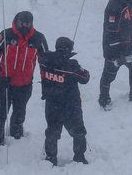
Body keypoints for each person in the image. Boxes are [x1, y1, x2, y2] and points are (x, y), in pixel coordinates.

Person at [0, 11, 48, 145]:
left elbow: (45, 63)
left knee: (19, 114)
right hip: (4, 83)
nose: (25, 26)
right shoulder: (6, 35)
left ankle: (17, 138)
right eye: (22, 23)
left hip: (24, 85)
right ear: (17, 21)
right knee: (0, 114)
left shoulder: (38, 38)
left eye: (28, 23)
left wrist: (46, 83)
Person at [40, 37, 90, 166]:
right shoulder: (72, 65)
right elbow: (85, 78)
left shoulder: (45, 60)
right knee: (78, 132)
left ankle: (51, 158)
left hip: (51, 104)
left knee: (52, 132)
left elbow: (46, 60)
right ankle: (79, 157)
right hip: (70, 106)